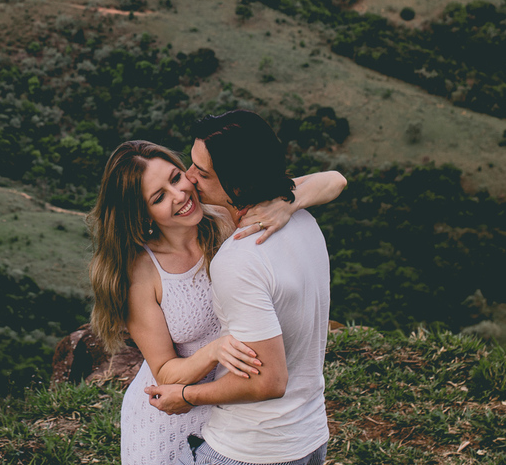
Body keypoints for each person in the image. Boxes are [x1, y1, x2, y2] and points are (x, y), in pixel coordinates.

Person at [89, 139, 345, 465]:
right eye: (159, 197)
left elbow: (334, 180)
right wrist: (214, 351)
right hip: (171, 414)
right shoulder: (140, 274)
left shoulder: (225, 217)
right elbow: (165, 372)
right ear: (142, 215)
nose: (179, 194)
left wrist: (287, 204)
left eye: (175, 177)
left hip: (231, 410)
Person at [147, 110, 336, 465]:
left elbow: (268, 381)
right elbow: (333, 180)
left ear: (236, 184)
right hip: (310, 436)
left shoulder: (239, 260)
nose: (189, 179)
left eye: (201, 173)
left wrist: (186, 396)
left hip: (252, 449)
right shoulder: (303, 219)